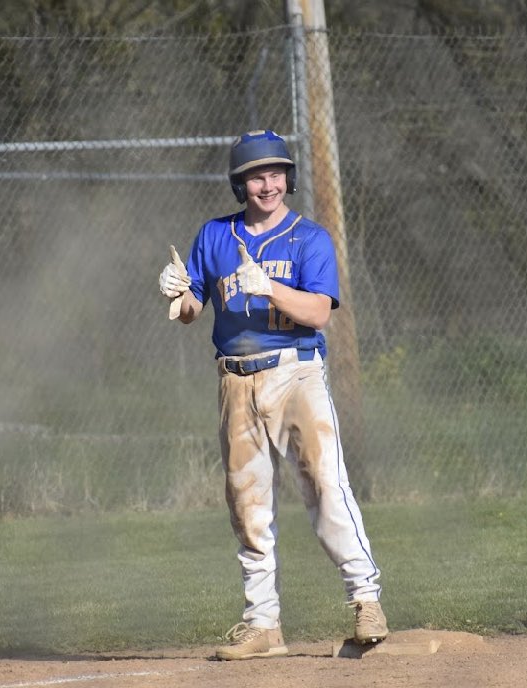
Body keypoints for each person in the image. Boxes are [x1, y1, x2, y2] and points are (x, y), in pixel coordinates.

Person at [158, 129, 388, 661]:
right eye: (256, 176)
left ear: (289, 177)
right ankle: (263, 624)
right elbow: (194, 310)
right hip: (235, 380)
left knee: (326, 488)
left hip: (295, 374)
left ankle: (366, 601)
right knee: (248, 505)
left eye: (276, 173)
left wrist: (270, 288)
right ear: (240, 184)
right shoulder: (215, 236)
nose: (268, 184)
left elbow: (318, 313)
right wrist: (179, 292)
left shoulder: (309, 239)